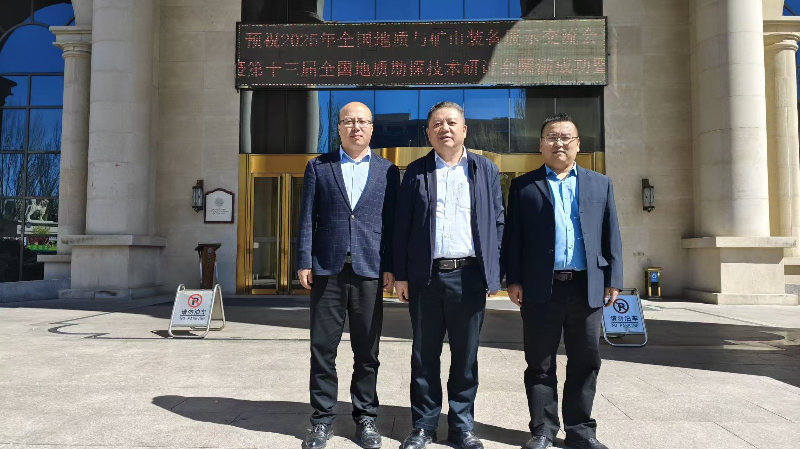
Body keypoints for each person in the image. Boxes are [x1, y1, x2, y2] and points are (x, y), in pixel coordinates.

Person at [503, 113, 623, 449]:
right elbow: (514, 239)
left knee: (586, 360)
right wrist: (513, 279)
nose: (559, 143)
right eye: (552, 137)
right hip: (541, 287)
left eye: (566, 137)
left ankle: (580, 429)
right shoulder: (524, 186)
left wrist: (613, 278)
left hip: (586, 287)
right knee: (540, 363)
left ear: (577, 144)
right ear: (541, 145)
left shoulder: (600, 184)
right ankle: (543, 429)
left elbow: (611, 233)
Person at [393, 101, 505, 449]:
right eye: (438, 124)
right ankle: (424, 426)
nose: (445, 128)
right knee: (424, 357)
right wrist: (401, 275)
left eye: (452, 123)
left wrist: (493, 270)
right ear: (428, 133)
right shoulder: (416, 171)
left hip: (469, 277)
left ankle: (461, 427)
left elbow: (498, 222)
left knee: (465, 358)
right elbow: (401, 226)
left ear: (464, 130)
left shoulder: (485, 169)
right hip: (426, 278)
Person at [296, 102, 400, 449]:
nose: (356, 127)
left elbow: (393, 225)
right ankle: (321, 420)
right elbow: (307, 217)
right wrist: (304, 260)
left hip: (370, 270)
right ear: (338, 127)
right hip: (328, 269)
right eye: (349, 121)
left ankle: (366, 417)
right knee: (323, 350)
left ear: (372, 128)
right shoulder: (319, 167)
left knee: (367, 351)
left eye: (362, 122)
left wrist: (392, 266)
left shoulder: (388, 171)